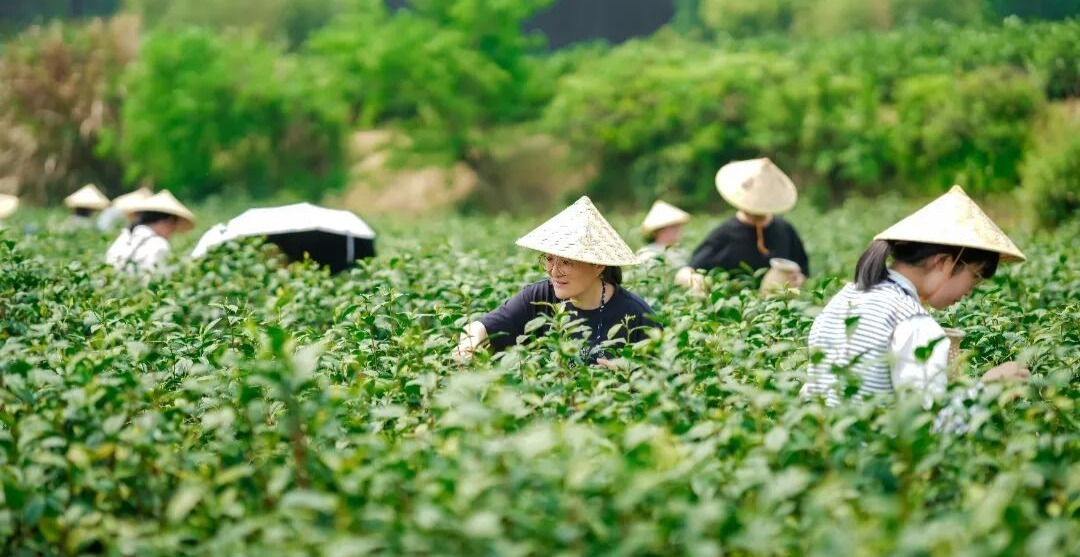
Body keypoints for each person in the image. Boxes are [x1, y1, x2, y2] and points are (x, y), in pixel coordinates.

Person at [801, 185, 1030, 407]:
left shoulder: (844, 298)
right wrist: (988, 387)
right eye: (975, 277)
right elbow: (927, 420)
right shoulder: (913, 322)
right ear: (943, 262)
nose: (971, 290)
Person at [454, 196, 658, 367]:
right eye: (550, 259)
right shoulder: (539, 297)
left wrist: (629, 378)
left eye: (567, 262)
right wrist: (469, 344)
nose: (554, 272)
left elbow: (661, 380)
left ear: (598, 265)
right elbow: (484, 326)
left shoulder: (637, 315)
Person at [676, 158, 809, 292]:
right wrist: (694, 281)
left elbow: (803, 270)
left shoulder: (784, 230)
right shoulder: (725, 234)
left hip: (778, 302)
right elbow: (689, 270)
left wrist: (798, 279)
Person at [105, 190, 195, 274]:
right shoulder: (159, 244)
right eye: (173, 226)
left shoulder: (124, 237)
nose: (172, 232)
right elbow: (157, 277)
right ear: (167, 221)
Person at [636, 200, 691, 267]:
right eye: (674, 227)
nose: (679, 230)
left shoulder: (682, 252)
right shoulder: (647, 253)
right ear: (661, 230)